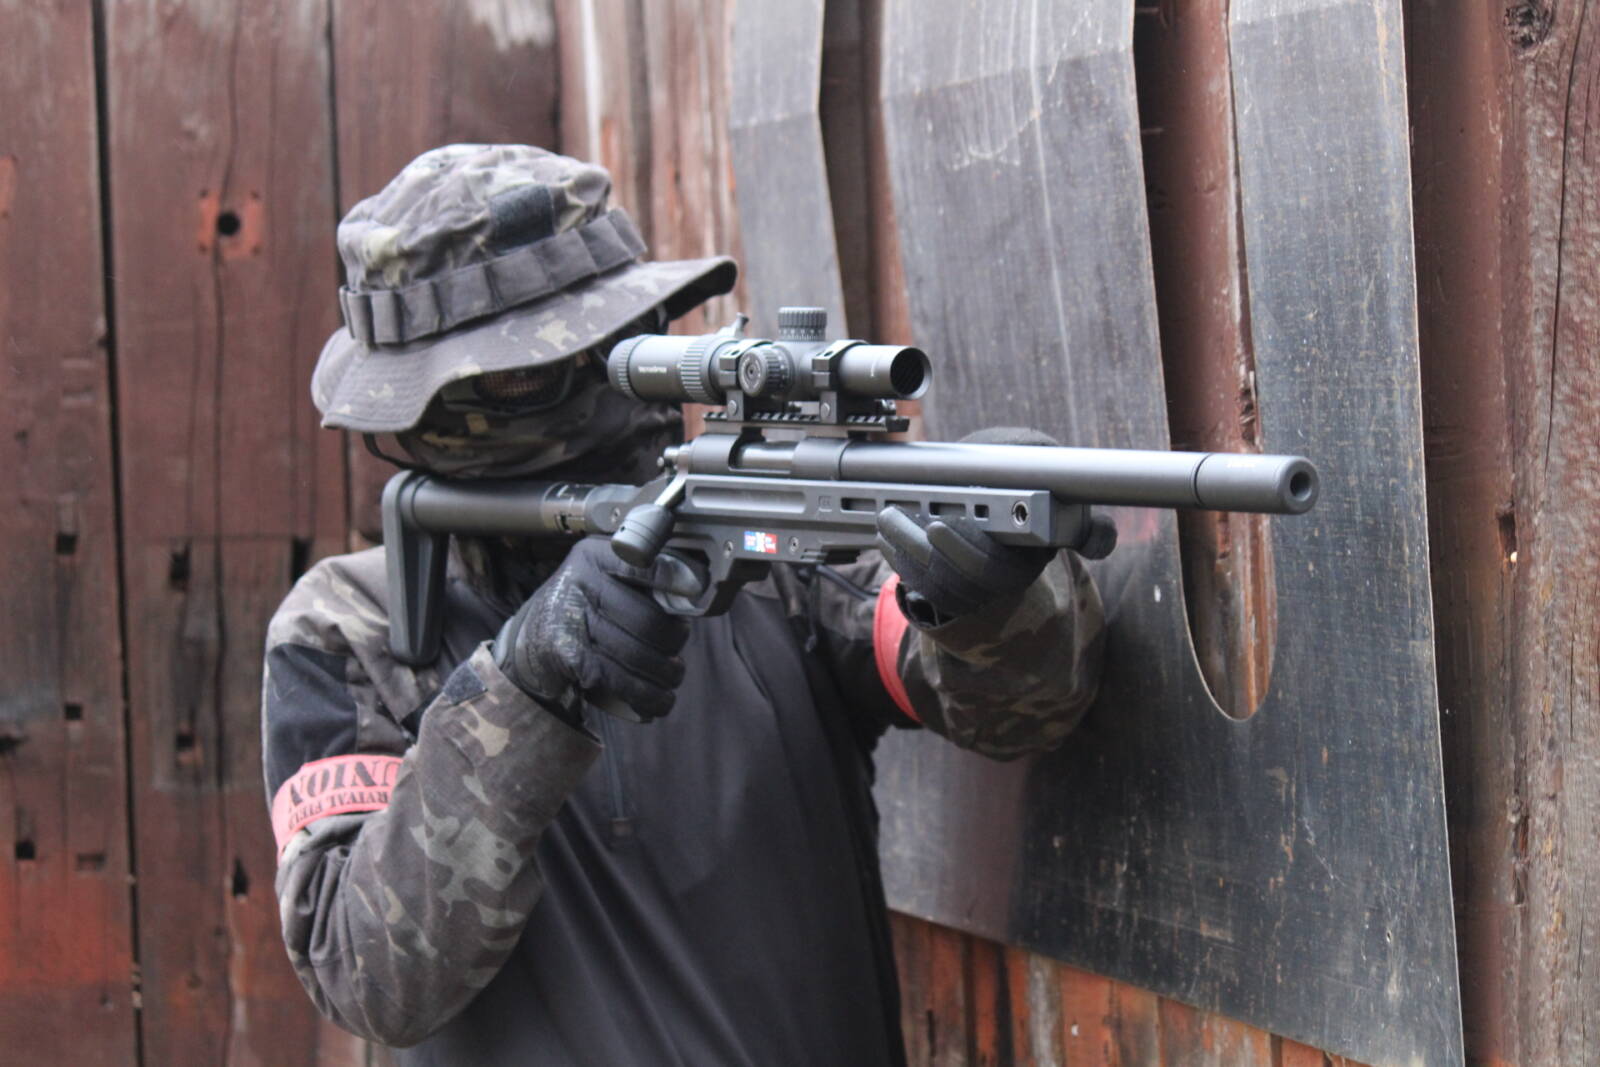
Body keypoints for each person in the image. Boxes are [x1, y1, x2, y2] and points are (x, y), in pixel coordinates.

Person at [263, 143, 1105, 1066]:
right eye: (531, 365)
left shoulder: (764, 557)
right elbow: (370, 976)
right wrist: (524, 686)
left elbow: (1022, 707)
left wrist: (990, 597)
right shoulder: (350, 628)